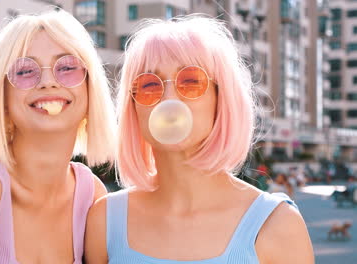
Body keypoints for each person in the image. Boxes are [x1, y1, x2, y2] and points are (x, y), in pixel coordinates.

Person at [85, 16, 314, 263]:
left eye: (191, 81)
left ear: (221, 98)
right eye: (149, 85)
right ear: (133, 107)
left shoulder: (277, 225)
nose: (169, 98)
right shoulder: (104, 220)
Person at [0, 8, 116, 264]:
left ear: (90, 88)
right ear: (1, 96)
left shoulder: (91, 193)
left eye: (68, 67)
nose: (48, 82)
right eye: (25, 71)